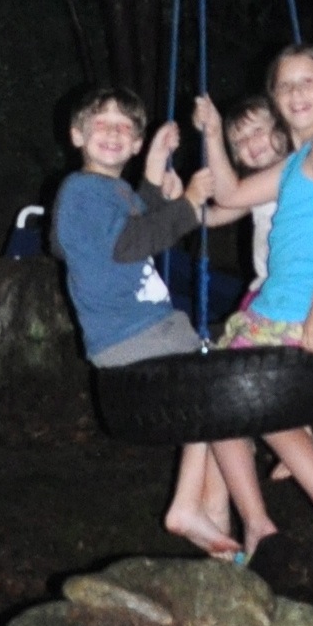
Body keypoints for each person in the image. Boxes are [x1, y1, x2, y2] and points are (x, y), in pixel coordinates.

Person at [48, 87, 271, 562]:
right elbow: (130, 243)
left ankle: (217, 536)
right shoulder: (80, 192)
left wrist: (156, 162)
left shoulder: (112, 191)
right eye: (101, 124)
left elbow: (142, 216)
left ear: (133, 143)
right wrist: (190, 202)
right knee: (218, 399)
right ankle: (201, 510)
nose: (113, 132)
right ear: (76, 135)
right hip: (132, 332)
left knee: (218, 417)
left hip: (153, 327)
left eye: (125, 127)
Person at [196, 42, 313, 577]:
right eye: (285, 85)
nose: (296, 93)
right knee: (225, 399)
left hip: (302, 313)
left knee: (227, 396)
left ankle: (293, 521)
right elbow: (229, 193)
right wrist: (211, 132)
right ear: (275, 98)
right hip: (283, 309)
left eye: (308, 82)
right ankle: (290, 522)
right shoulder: (298, 163)